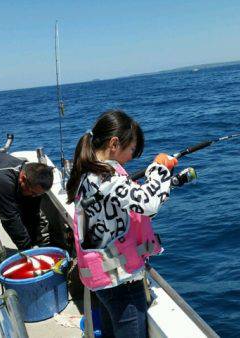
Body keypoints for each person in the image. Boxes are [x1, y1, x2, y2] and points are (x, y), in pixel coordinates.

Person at [66, 109, 178, 337]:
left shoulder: (88, 174)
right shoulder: (105, 178)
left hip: (104, 280)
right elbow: (148, 204)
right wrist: (159, 169)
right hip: (121, 284)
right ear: (114, 143)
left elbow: (128, 210)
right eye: (131, 150)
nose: (132, 157)